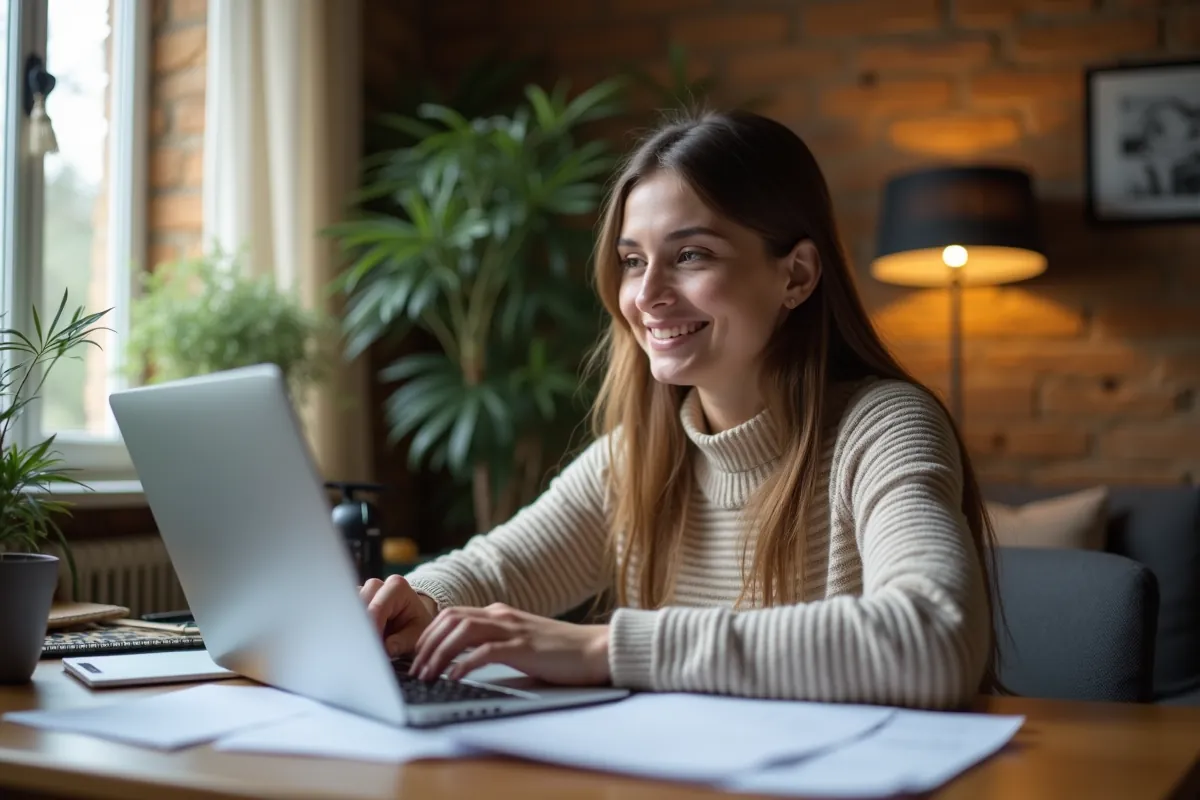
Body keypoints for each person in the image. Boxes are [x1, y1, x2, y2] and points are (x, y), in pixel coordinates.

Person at [359, 109, 1000, 710]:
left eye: (691, 255)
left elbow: (937, 634)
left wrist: (605, 649)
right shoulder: (639, 452)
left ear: (797, 276)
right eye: (633, 261)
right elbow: (497, 568)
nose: (647, 295)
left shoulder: (885, 427)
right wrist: (421, 602)